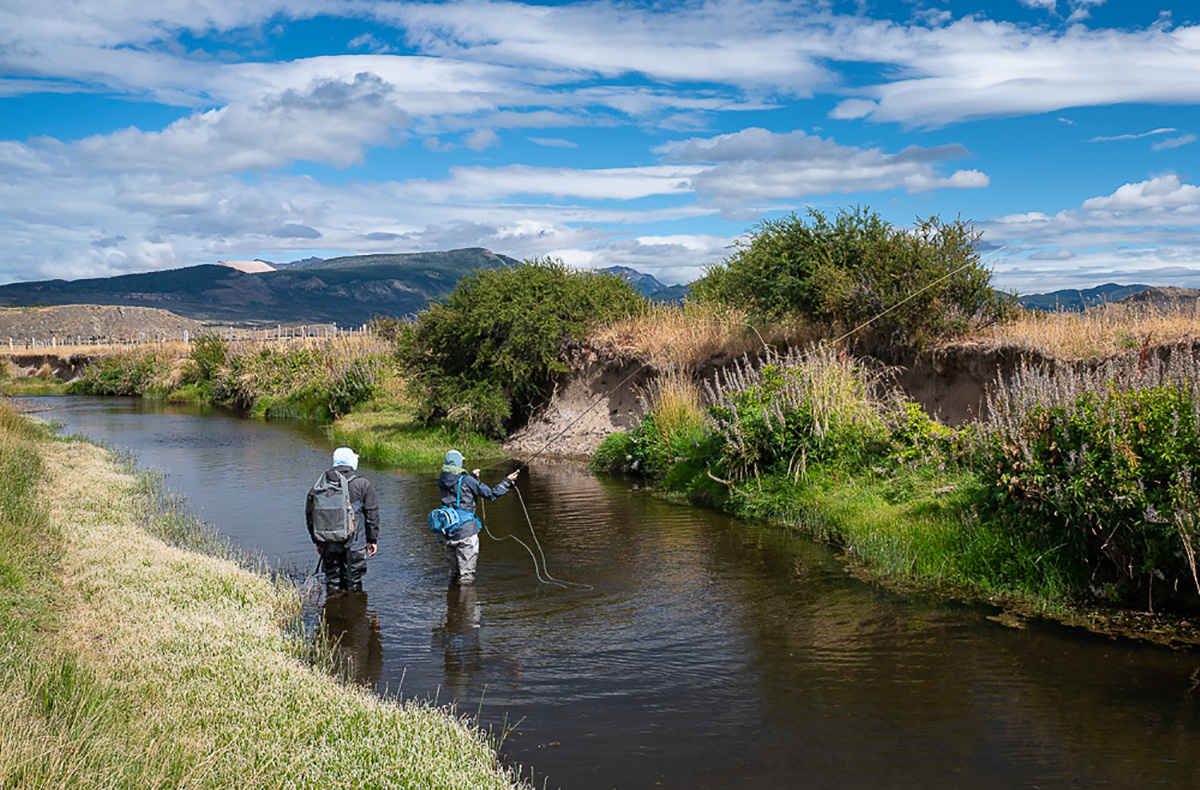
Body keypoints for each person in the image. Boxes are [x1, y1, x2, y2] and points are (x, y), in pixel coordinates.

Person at [437, 449, 519, 585]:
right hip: (467, 533)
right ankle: (467, 604)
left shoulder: (442, 481)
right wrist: (507, 482)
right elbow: (491, 494)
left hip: (449, 534)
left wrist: (471, 477)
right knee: (467, 578)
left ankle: (453, 604)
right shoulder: (467, 481)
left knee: (454, 575)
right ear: (458, 463)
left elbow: (457, 488)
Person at [306, 447, 380, 594]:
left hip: (328, 543)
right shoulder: (362, 484)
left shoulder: (320, 485)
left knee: (332, 582)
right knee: (354, 584)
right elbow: (372, 515)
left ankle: (333, 613)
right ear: (351, 462)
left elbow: (310, 516)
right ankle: (355, 613)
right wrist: (372, 540)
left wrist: (318, 541)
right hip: (355, 544)